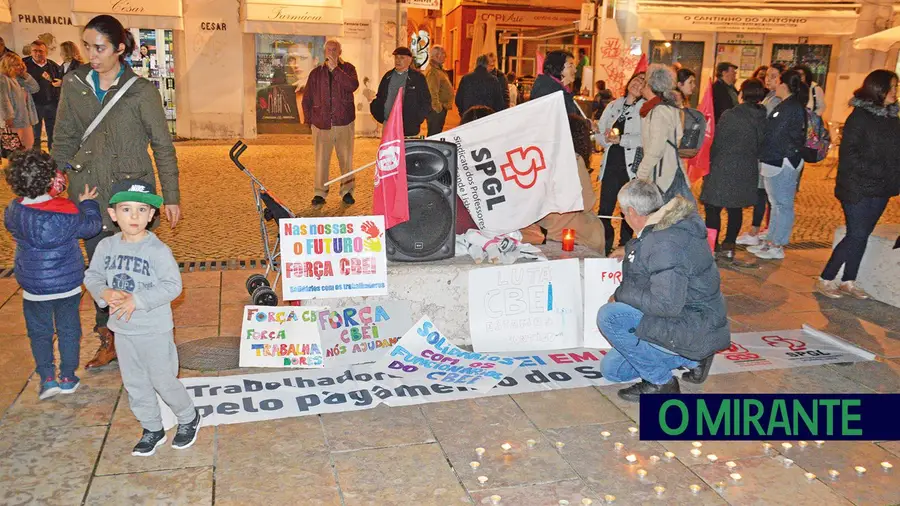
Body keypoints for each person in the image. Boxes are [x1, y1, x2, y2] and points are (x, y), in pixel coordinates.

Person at [53, 14, 181, 368]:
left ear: (119, 48)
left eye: (100, 48)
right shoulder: (74, 83)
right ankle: (107, 336)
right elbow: (63, 136)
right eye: (87, 47)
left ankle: (140, 330)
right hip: (88, 193)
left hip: (131, 193)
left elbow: (163, 145)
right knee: (98, 265)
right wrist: (57, 175)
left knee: (136, 264)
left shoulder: (141, 91)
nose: (91, 55)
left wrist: (171, 195)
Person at [84, 179, 200, 456]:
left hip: (154, 330)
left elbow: (173, 286)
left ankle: (188, 417)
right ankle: (152, 427)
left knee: (162, 379)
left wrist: (138, 299)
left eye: (141, 210)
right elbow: (93, 275)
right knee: (135, 382)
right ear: (113, 215)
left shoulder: (157, 251)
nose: (133, 216)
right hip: (123, 331)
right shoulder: (106, 248)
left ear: (151, 216)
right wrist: (104, 291)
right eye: (126, 209)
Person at [597, 180, 729, 401]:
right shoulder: (668, 227)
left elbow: (665, 304)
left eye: (623, 213)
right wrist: (630, 250)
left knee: (611, 315)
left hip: (691, 323)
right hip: (694, 319)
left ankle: (660, 382)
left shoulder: (664, 243)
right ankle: (694, 359)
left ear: (631, 212)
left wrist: (620, 295)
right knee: (613, 371)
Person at [3, 150, 102, 399]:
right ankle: (68, 376)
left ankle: (47, 379)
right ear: (52, 180)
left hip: (33, 287)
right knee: (69, 330)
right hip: (66, 285)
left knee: (39, 333)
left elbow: (11, 226)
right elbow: (89, 228)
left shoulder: (14, 210)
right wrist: (88, 204)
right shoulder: (66, 211)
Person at [817, 70, 900, 299]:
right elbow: (850, 155)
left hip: (881, 188)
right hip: (857, 187)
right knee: (857, 233)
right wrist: (878, 170)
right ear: (878, 89)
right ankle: (826, 278)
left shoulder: (893, 119)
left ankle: (848, 280)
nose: (895, 92)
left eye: (896, 87)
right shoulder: (859, 117)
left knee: (861, 234)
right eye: (892, 87)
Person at [700, 78, 767, 261]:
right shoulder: (763, 116)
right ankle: (729, 246)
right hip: (747, 168)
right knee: (735, 209)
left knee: (713, 207)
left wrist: (709, 161)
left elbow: (718, 142)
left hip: (724, 166)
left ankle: (711, 246)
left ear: (742, 94)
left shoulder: (731, 115)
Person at [519, 114, 606, 253]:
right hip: (567, 229)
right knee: (596, 229)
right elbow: (587, 202)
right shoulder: (574, 160)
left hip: (538, 226)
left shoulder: (533, 160)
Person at [749, 69, 808, 260]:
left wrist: (762, 146)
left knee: (782, 204)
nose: (773, 83)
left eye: (777, 80)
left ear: (784, 85)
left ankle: (778, 244)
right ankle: (771, 241)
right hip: (776, 159)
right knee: (775, 204)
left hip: (782, 161)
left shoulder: (791, 107)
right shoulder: (786, 105)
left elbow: (776, 135)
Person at [302, 39, 359, 209]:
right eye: (329, 50)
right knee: (321, 161)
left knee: (346, 159)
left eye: (335, 50)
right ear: (324, 52)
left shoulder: (348, 69)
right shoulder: (316, 73)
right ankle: (320, 193)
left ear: (340, 52)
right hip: (321, 123)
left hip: (344, 122)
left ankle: (347, 191)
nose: (332, 53)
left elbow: (352, 86)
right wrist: (309, 121)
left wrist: (336, 70)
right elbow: (307, 99)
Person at [596, 72, 645, 255]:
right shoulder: (613, 105)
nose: (637, 84)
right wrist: (605, 138)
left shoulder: (645, 110)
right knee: (605, 208)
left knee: (629, 208)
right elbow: (600, 134)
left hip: (631, 166)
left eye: (642, 82)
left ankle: (625, 245)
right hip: (611, 163)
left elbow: (645, 139)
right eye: (636, 80)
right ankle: (605, 244)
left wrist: (621, 139)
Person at [738, 62, 786, 247]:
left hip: (770, 155)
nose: (769, 79)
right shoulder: (770, 97)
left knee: (767, 195)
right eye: (767, 76)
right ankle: (758, 231)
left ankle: (760, 233)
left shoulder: (778, 101)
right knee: (763, 194)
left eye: (774, 76)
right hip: (764, 154)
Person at [636, 65, 690, 203]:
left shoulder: (658, 111)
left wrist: (641, 175)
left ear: (650, 84)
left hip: (661, 177)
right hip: (669, 170)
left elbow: (656, 149)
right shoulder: (668, 108)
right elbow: (677, 138)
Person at [370, 47, 431, 137]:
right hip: (389, 125)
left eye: (402, 58)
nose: (398, 60)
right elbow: (380, 97)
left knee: (408, 151)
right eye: (396, 57)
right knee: (389, 151)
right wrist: (379, 115)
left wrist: (417, 119)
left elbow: (426, 101)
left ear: (409, 60)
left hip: (409, 127)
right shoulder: (388, 76)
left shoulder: (417, 78)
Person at [25, 40, 62, 150]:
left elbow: (59, 82)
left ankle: (52, 157)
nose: (37, 53)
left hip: (51, 104)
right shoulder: (24, 65)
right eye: (34, 51)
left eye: (40, 51)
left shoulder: (53, 65)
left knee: (53, 133)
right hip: (33, 105)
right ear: (30, 51)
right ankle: (36, 159)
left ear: (46, 51)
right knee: (35, 134)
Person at [0, 52, 40, 150]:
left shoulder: (19, 78)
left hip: (25, 118)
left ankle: (25, 165)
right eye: (17, 64)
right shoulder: (4, 79)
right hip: (13, 120)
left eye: (21, 63)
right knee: (15, 148)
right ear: (8, 66)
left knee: (28, 144)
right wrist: (8, 117)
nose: (21, 66)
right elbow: (3, 99)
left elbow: (35, 88)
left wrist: (25, 75)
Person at [530, 50, 578, 115]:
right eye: (570, 66)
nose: (575, 70)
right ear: (558, 67)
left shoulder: (560, 89)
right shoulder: (549, 91)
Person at [424, 45, 453, 136]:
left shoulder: (438, 69)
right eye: (443, 54)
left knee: (436, 133)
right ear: (436, 56)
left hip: (439, 109)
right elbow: (432, 91)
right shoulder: (433, 71)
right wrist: (438, 108)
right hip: (436, 111)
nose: (445, 56)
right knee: (434, 135)